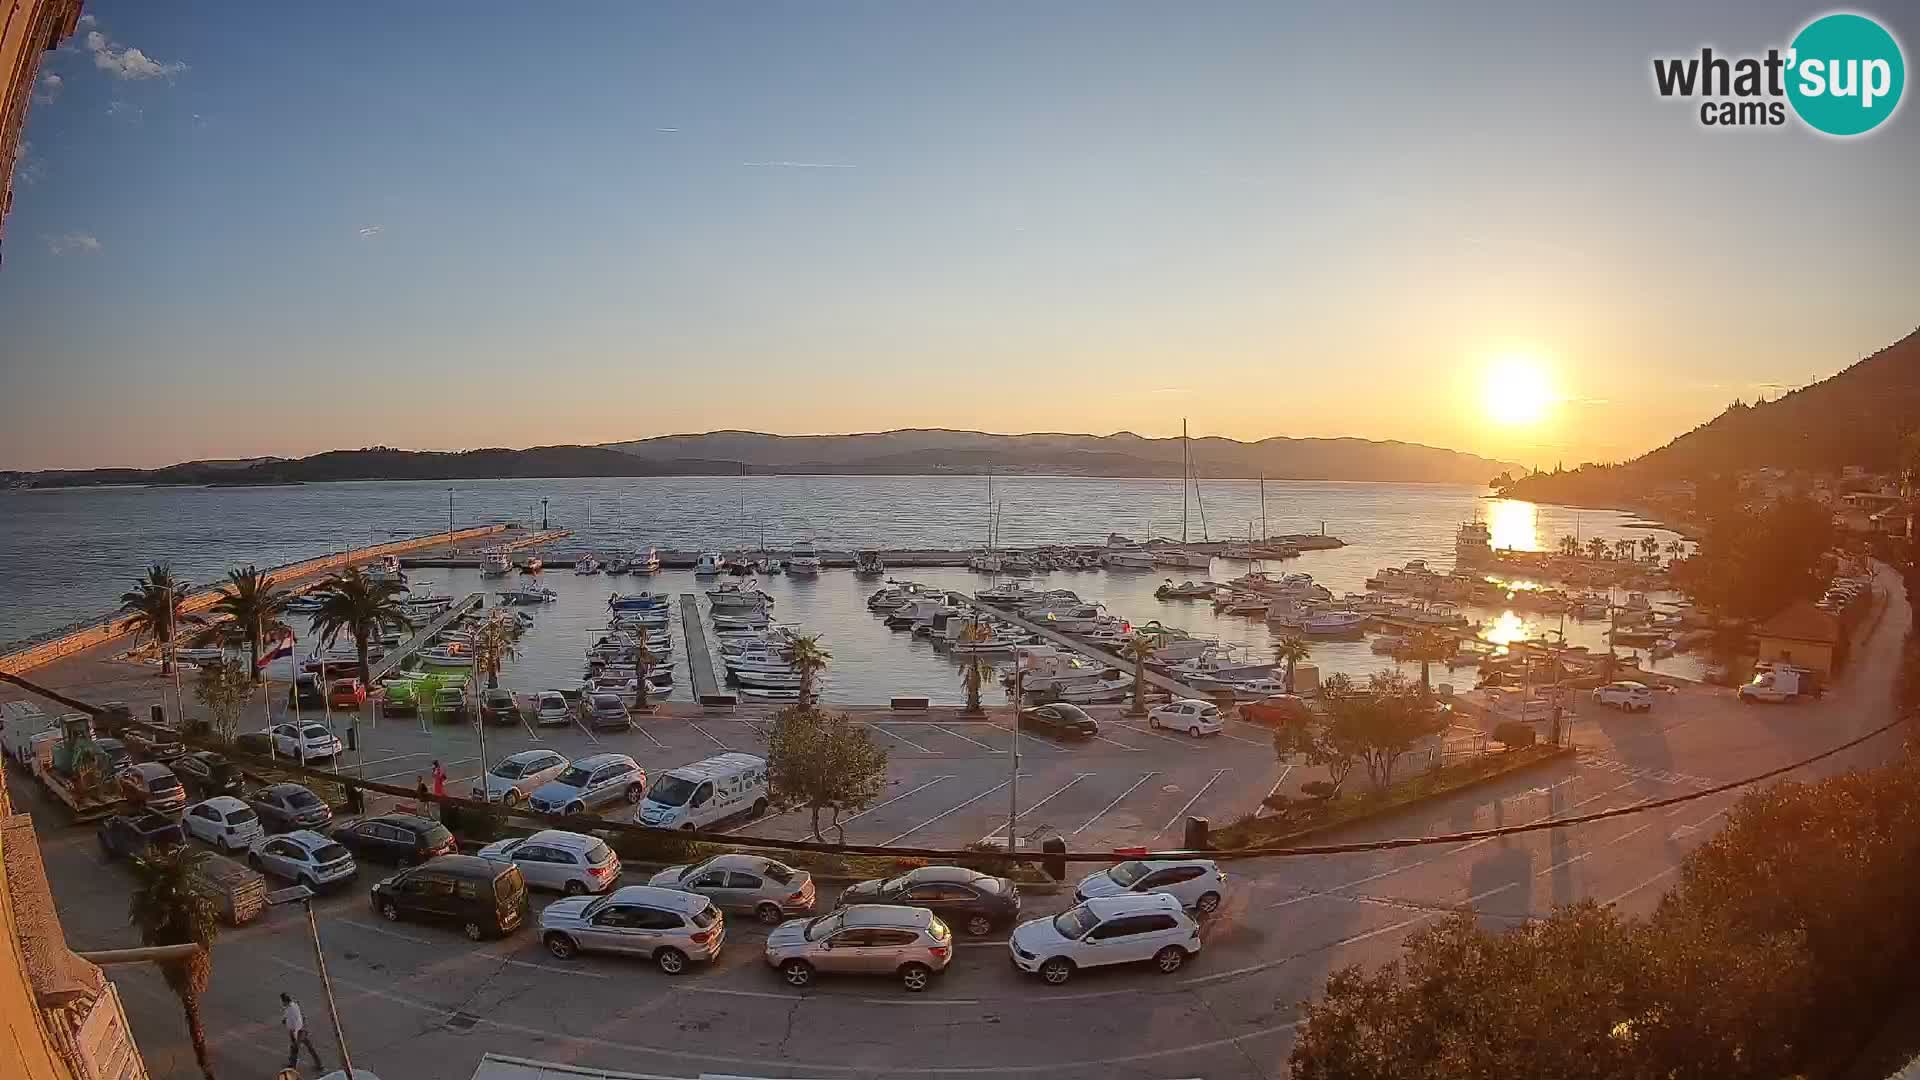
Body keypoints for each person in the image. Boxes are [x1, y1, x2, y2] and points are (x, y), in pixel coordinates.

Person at [281, 992, 324, 1072]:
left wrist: (295, 1034)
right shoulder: (289, 1007)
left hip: (298, 1031)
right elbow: (289, 1016)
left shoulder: (292, 1008)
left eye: (283, 1001)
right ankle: (318, 1064)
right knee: (305, 1047)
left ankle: (293, 1066)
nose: (282, 1003)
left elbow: (297, 1021)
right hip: (296, 1031)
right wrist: (285, 1019)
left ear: (285, 1001)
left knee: (295, 1048)